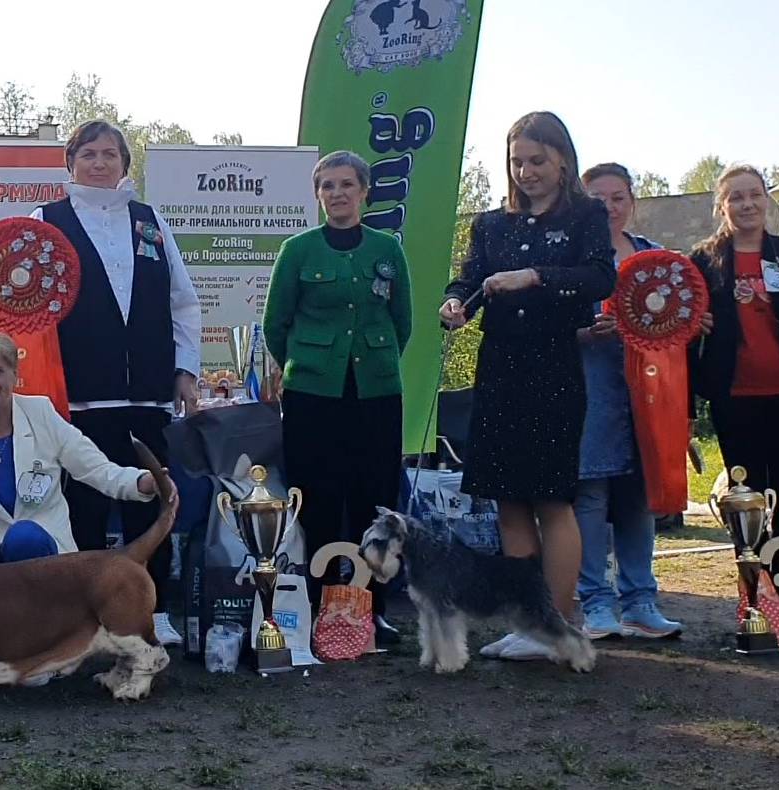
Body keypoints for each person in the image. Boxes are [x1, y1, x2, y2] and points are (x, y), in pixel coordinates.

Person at [441, 112, 615, 661]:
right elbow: (469, 276)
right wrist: (454, 301)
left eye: (537, 160)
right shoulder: (492, 224)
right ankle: (527, 621)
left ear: (562, 158)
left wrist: (536, 276)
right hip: (499, 369)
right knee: (509, 502)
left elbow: (599, 277)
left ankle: (559, 624)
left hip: (555, 368)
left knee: (552, 499)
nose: (526, 172)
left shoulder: (587, 214)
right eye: (517, 162)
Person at [31, 120, 200, 646]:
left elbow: (183, 301)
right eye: (88, 154)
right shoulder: (46, 220)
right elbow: (28, 307)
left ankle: (155, 607)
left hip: (147, 390)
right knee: (83, 503)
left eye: (110, 154)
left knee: (150, 499)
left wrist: (186, 369)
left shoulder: (150, 222)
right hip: (79, 392)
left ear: (126, 163)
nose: (100, 163)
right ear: (70, 163)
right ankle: (85, 619)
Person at [263, 150, 412, 642]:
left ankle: (373, 610)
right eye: (328, 186)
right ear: (318, 195)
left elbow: (402, 322)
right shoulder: (298, 250)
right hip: (312, 394)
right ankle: (323, 604)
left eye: (348, 184)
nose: (338, 193)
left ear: (365, 192)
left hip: (375, 392)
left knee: (375, 501)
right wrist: (305, 363)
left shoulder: (387, 248)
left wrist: (375, 358)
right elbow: (275, 325)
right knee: (319, 499)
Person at [0, 332, 158, 562]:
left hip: (39, 552)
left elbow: (97, 470)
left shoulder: (42, 413)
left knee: (24, 537)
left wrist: (142, 481)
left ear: (15, 374)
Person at [574, 163, 697, 640]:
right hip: (591, 394)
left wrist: (691, 325)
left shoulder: (656, 258)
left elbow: (678, 318)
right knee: (590, 495)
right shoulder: (574, 258)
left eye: (618, 197)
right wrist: (584, 331)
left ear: (632, 201)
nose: (609, 206)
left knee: (640, 498)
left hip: (649, 398)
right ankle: (595, 602)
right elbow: (546, 327)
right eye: (598, 198)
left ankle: (640, 600)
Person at [687, 164, 779, 609]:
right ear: (722, 207)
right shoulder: (702, 261)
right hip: (734, 398)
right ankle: (758, 603)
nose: (747, 204)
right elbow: (688, 334)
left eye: (754, 195)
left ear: (767, 199)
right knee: (749, 507)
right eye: (736, 197)